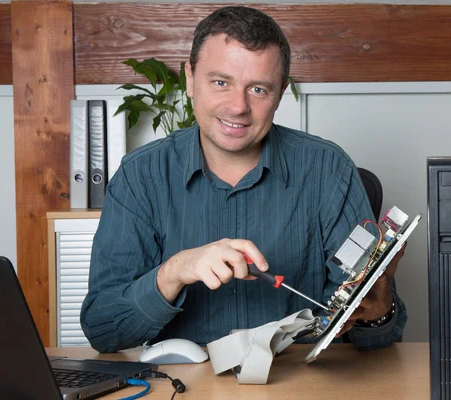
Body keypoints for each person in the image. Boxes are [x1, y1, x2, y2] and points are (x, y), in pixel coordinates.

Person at [80, 6, 407, 353]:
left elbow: (378, 337)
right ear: (190, 80)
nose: (238, 107)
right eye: (221, 82)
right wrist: (173, 271)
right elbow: (103, 331)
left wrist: (377, 310)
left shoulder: (328, 169)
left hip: (301, 385)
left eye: (258, 90)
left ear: (280, 93)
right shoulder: (140, 176)